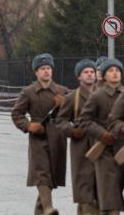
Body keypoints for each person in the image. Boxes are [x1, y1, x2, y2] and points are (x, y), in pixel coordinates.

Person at [11, 53, 68, 215]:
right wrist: (29, 125)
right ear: (36, 72)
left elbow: (74, 115)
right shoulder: (28, 92)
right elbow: (16, 114)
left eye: (48, 68)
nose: (46, 71)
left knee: (51, 177)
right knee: (42, 173)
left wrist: (64, 105)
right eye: (42, 69)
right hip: (38, 137)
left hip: (58, 137)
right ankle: (49, 208)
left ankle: (41, 211)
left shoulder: (62, 91)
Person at [79, 58, 124, 214]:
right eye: (111, 71)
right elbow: (84, 120)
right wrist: (101, 134)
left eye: (118, 70)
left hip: (122, 149)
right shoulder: (97, 96)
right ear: (104, 75)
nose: (115, 73)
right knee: (110, 199)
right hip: (105, 151)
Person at [56, 59, 98, 214]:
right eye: (85, 72)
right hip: (81, 148)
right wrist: (72, 131)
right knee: (85, 187)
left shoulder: (102, 95)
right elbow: (60, 121)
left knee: (99, 189)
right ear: (79, 76)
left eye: (92, 72)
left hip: (101, 146)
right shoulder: (72, 97)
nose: (89, 75)